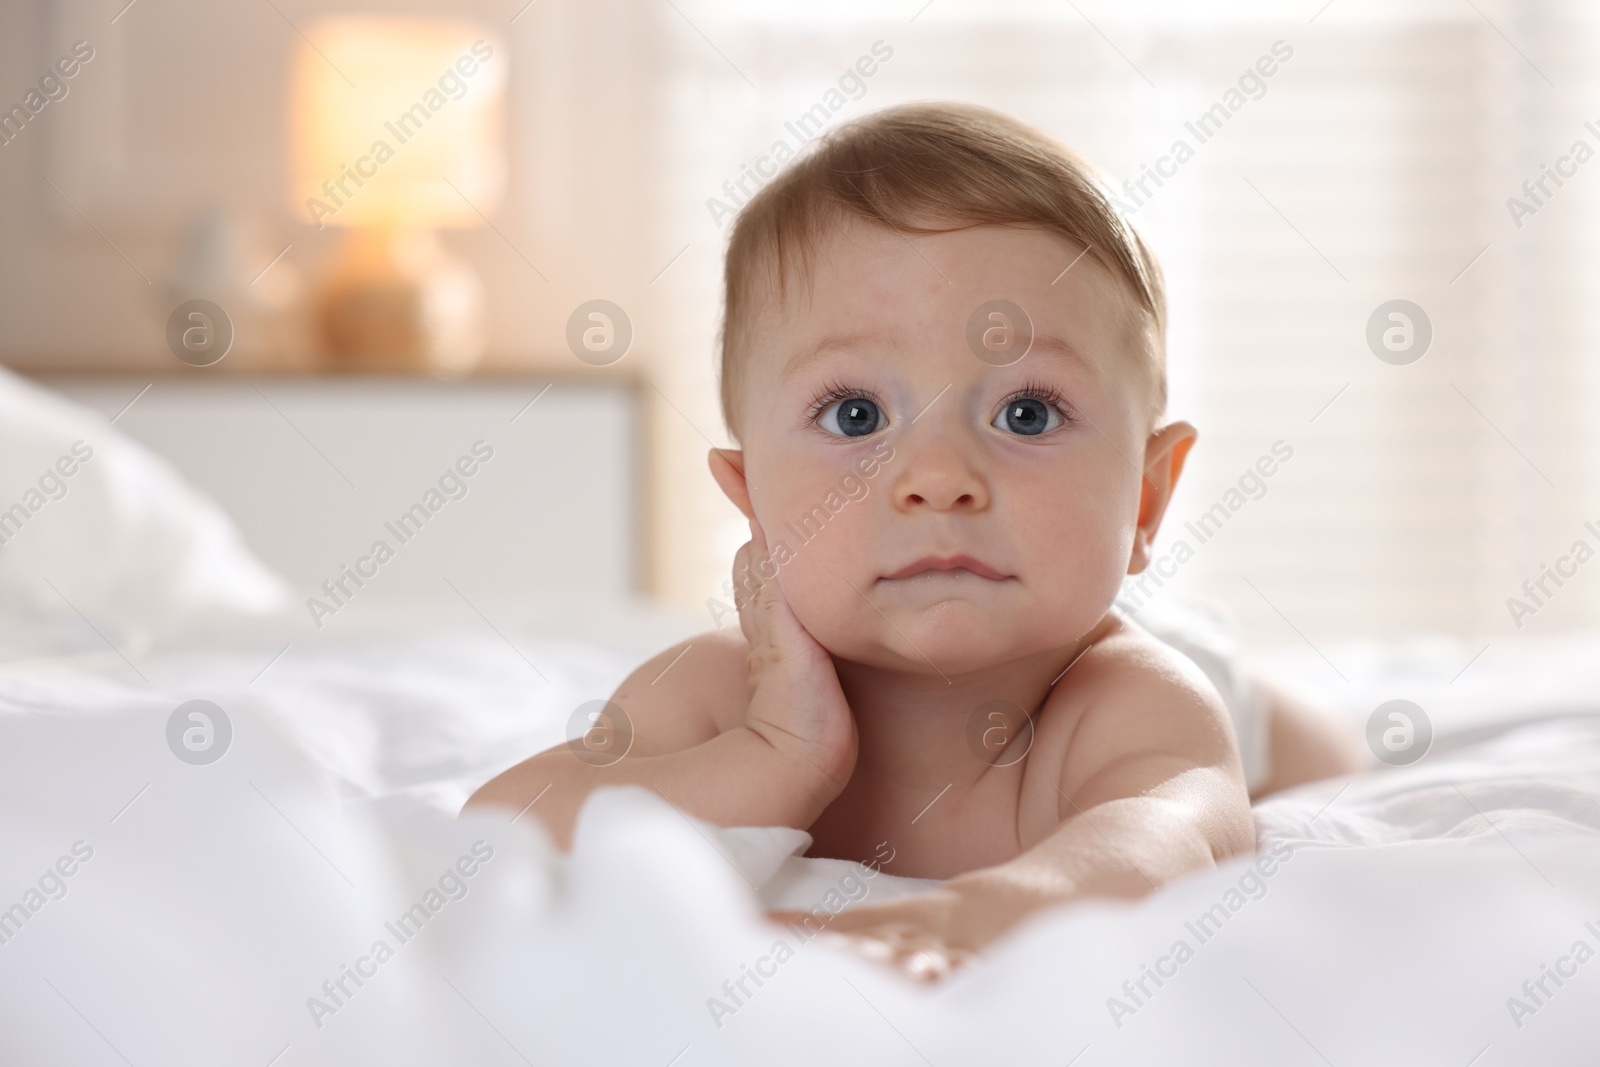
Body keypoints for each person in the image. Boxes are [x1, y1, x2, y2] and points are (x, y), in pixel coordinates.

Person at [466, 102, 1363, 979]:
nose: (937, 476)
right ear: (754, 503)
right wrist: (773, 756)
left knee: (1316, 745)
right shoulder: (720, 689)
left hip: (1179, 658)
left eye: (1027, 410)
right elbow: (509, 815)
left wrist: (992, 908)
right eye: (856, 415)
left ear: (1144, 498)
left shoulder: (1131, 701)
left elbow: (1164, 837)